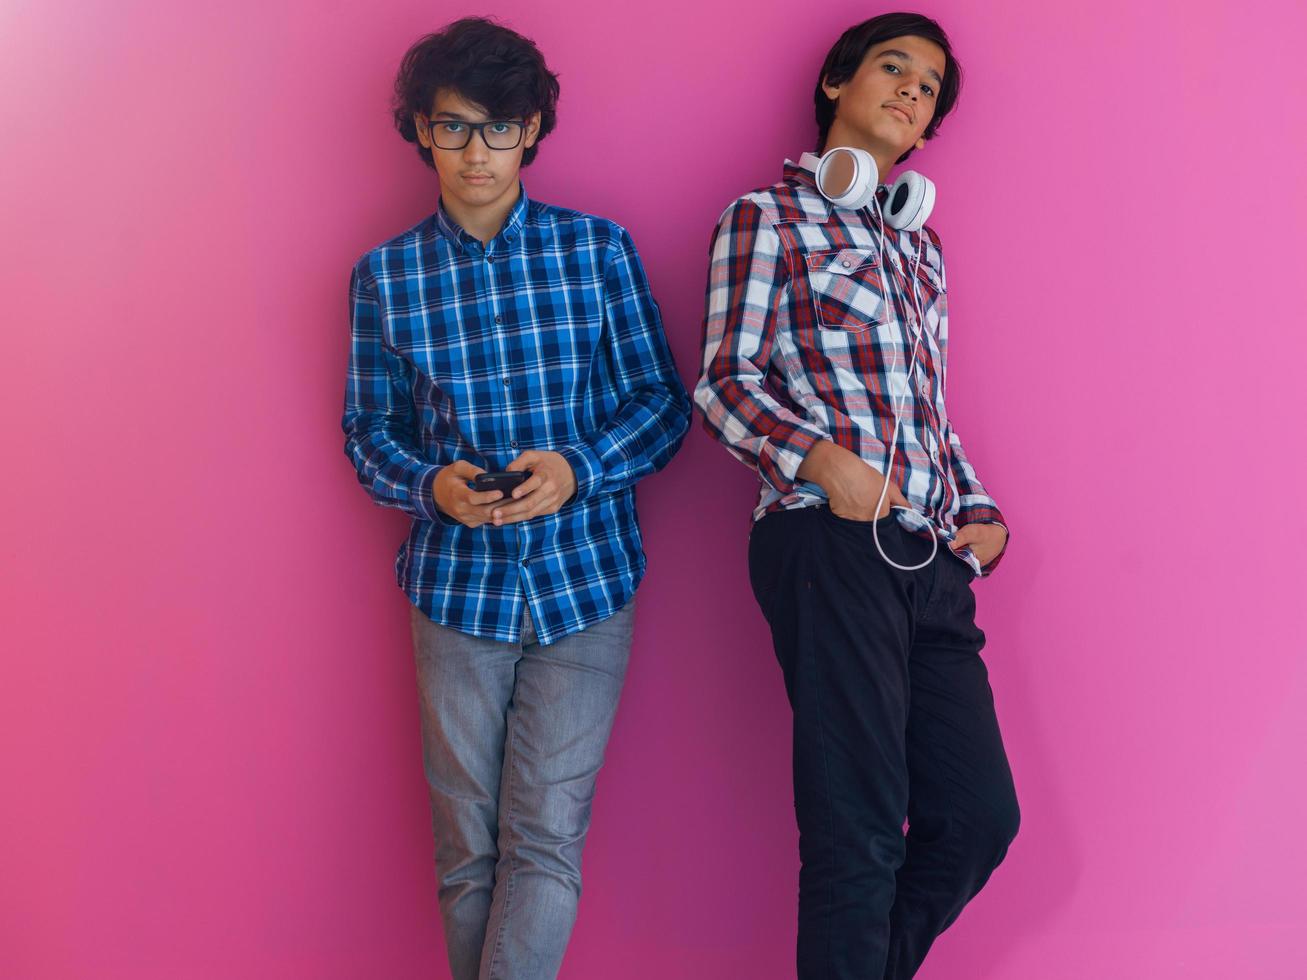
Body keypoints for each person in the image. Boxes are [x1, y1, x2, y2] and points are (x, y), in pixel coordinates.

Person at [341, 17, 690, 979]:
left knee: (543, 836)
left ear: (532, 129)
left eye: (498, 128)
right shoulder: (386, 277)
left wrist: (579, 467)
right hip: (454, 592)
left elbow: (664, 405)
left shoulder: (598, 252)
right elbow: (367, 434)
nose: (477, 152)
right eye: (453, 128)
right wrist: (432, 486)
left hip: (586, 584)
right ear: (420, 131)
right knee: (467, 854)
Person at [694, 12, 1019, 978]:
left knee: (975, 820)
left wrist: (980, 509)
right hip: (826, 543)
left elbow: (927, 411)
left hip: (930, 559)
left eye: (928, 88)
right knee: (858, 829)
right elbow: (724, 379)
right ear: (838, 82)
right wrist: (822, 465)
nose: (912, 90)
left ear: (924, 135)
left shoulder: (921, 256)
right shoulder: (766, 218)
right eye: (893, 68)